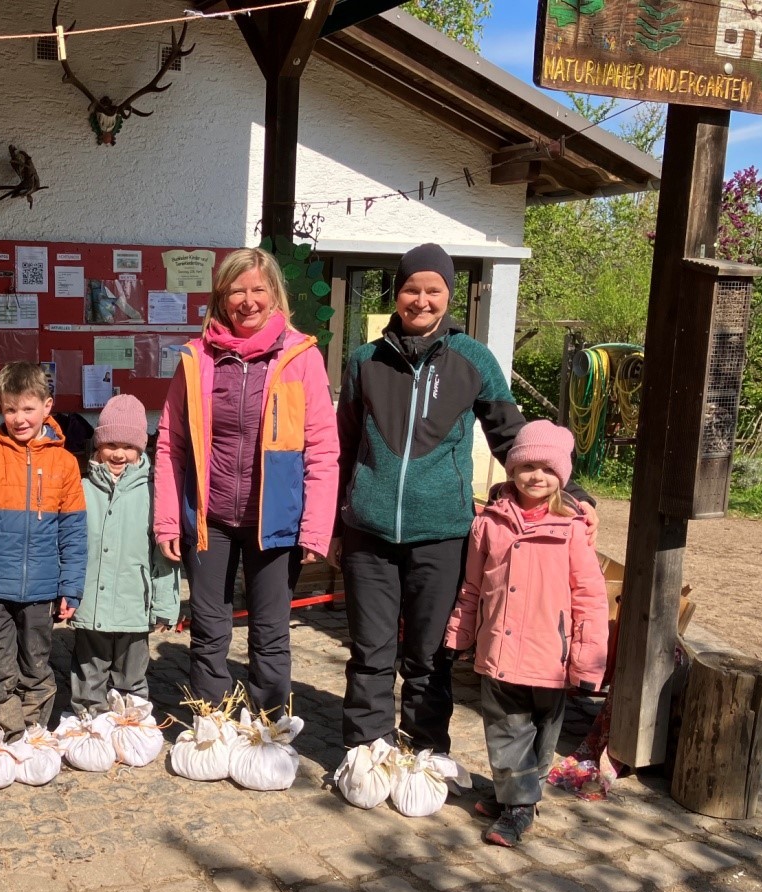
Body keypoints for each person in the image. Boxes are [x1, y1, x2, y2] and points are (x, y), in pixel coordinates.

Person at [336, 243, 597, 759]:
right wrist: (334, 526)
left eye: (434, 290)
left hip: (444, 532)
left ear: (448, 296)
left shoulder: (472, 358)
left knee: (430, 654)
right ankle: (365, 750)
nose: (422, 300)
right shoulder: (364, 360)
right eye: (412, 288)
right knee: (369, 650)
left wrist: (567, 491)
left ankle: (424, 751)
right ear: (398, 292)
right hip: (368, 531)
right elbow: (344, 446)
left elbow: (511, 435)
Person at [154, 247, 339, 712]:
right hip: (209, 516)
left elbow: (322, 449)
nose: (249, 300)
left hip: (274, 520)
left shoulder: (301, 357)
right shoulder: (196, 359)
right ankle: (210, 719)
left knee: (271, 630)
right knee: (210, 627)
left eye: (258, 289)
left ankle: (270, 723)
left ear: (274, 294)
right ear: (222, 297)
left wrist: (316, 527)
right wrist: (166, 521)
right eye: (237, 290)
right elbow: (170, 443)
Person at [444, 420, 609, 845]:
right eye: (528, 465)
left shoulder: (572, 529)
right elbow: (472, 587)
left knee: (543, 728)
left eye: (548, 469)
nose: (537, 476)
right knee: (505, 726)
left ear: (563, 476)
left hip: (551, 655)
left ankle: (520, 794)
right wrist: (460, 635)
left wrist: (588, 659)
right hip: (500, 649)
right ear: (512, 467)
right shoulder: (489, 524)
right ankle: (518, 806)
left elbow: (589, 597)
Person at [0, 362, 87, 740]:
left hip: (42, 589)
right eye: (10, 409)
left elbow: (74, 532)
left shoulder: (64, 463)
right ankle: (3, 733)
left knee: (36, 664)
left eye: (28, 408)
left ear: (47, 406)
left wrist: (70, 586)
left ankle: (33, 731)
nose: (18, 418)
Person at [70, 394, 180, 718]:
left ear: (141, 449)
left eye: (128, 446)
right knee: (88, 672)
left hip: (135, 605)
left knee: (131, 674)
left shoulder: (152, 494)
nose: (119, 453)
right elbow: (70, 547)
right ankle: (88, 721)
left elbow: (163, 559)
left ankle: (129, 720)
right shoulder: (81, 489)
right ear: (97, 446)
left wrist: (165, 605)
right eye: (111, 444)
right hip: (92, 605)